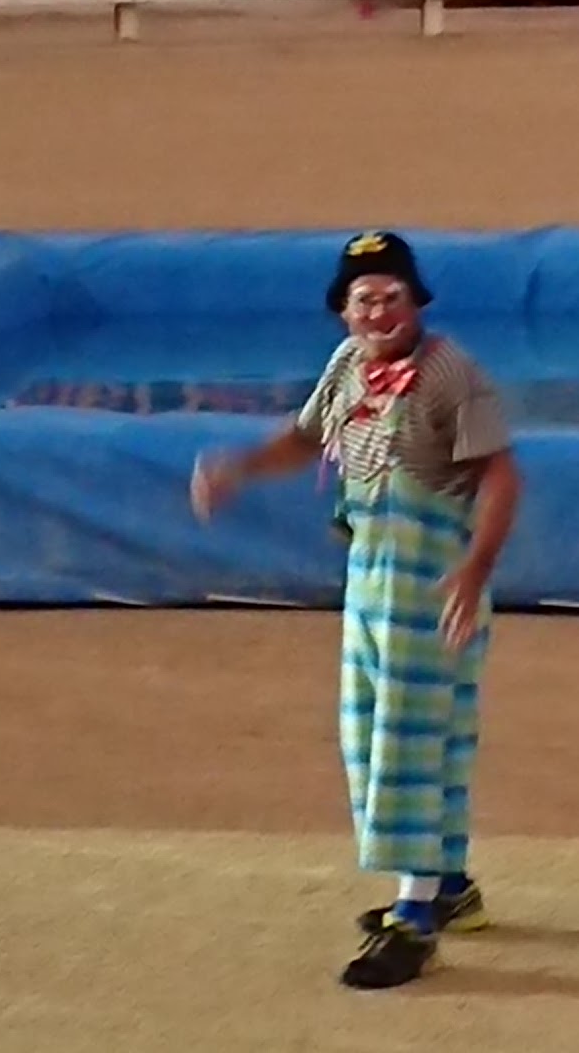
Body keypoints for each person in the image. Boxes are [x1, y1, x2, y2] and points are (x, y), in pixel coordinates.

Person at [191, 233, 521, 989]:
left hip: (430, 585)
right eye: (363, 299)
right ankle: (447, 884)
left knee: (409, 739)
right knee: (375, 730)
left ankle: (413, 917)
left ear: (417, 303)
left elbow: (502, 477)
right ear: (343, 311)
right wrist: (240, 469)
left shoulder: (450, 375)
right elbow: (307, 439)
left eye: (391, 297)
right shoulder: (346, 366)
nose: (378, 312)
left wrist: (474, 568)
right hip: (371, 578)